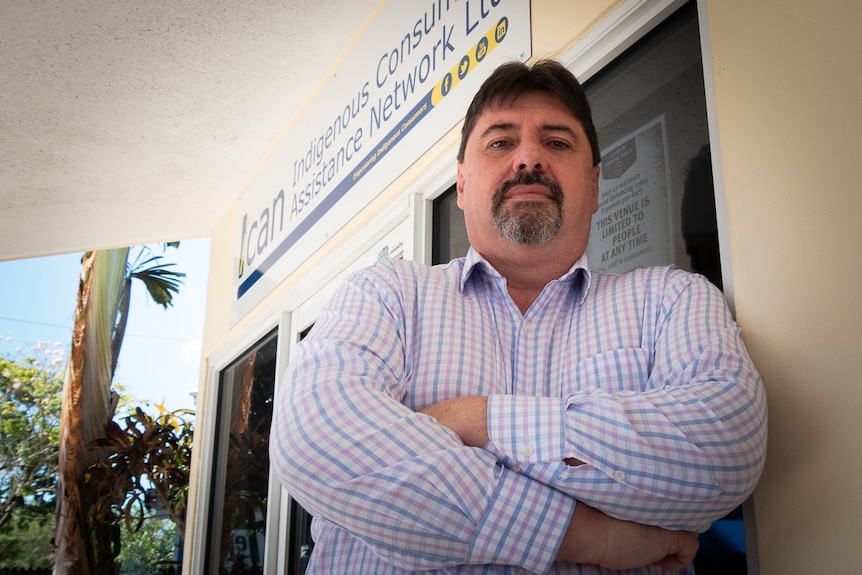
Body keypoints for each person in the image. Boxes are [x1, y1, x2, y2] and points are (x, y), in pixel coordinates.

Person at [270, 59, 767, 574]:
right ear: (461, 183)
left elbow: (727, 447)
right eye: (501, 142)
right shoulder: (387, 294)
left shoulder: (670, 300)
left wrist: (474, 421)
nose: (529, 157)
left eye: (557, 142)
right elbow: (313, 435)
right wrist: (590, 536)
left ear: (595, 186)